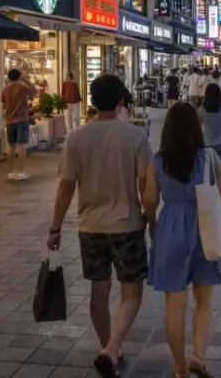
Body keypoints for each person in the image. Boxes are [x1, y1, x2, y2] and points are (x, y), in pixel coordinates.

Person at [47, 75, 153, 378]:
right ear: (120, 101)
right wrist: (149, 218)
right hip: (127, 224)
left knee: (99, 288)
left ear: (92, 101)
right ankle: (111, 350)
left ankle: (109, 347)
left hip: (90, 226)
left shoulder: (76, 137)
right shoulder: (135, 136)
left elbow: (66, 186)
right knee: (132, 292)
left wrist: (55, 228)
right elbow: (145, 184)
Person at [141, 103, 221, 378]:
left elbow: (150, 201)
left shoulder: (157, 161)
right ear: (196, 128)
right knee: (203, 300)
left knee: (174, 306)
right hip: (204, 228)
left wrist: (153, 225)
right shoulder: (209, 157)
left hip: (170, 229)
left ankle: (179, 366)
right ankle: (198, 357)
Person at [1, 68, 36, 181]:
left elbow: (3, 107)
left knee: (11, 147)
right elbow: (34, 91)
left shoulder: (5, 90)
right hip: (22, 119)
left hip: (9, 120)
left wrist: (5, 119)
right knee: (21, 146)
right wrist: (25, 79)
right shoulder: (22, 88)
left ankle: (10, 172)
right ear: (19, 77)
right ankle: (21, 172)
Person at [198, 83, 221, 176]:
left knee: (210, 172)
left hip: (207, 143)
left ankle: (213, 184)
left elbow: (198, 123)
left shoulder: (202, 109)